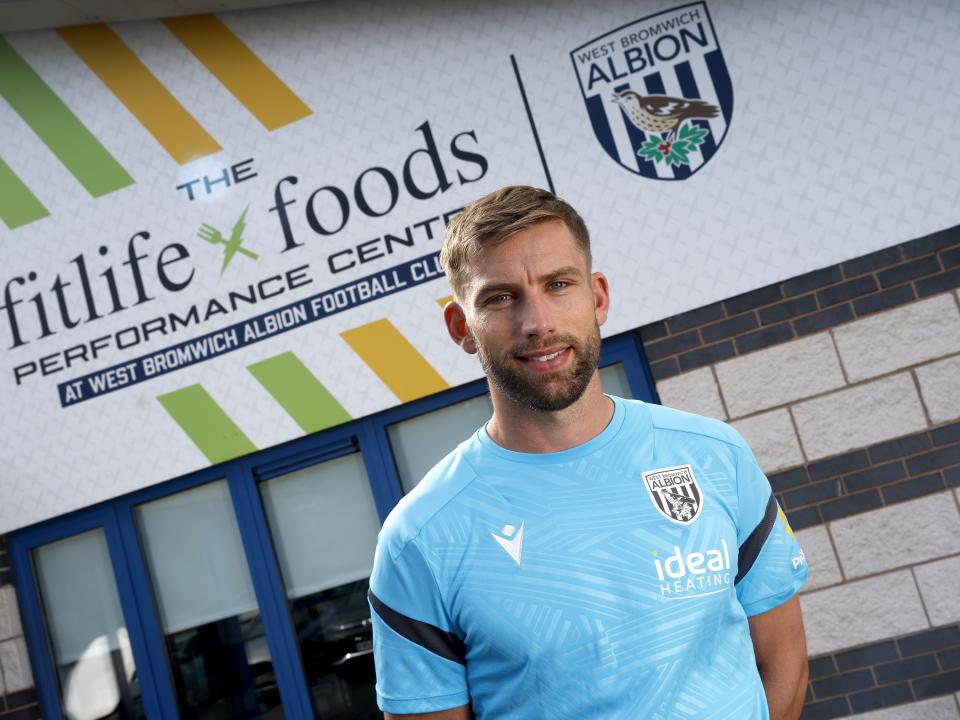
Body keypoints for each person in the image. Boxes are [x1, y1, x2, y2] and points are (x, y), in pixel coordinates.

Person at [367, 186, 809, 719]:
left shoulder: (715, 457)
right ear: (463, 328)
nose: (538, 323)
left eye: (558, 284)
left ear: (597, 297)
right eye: (500, 297)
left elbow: (783, 662)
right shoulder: (420, 538)